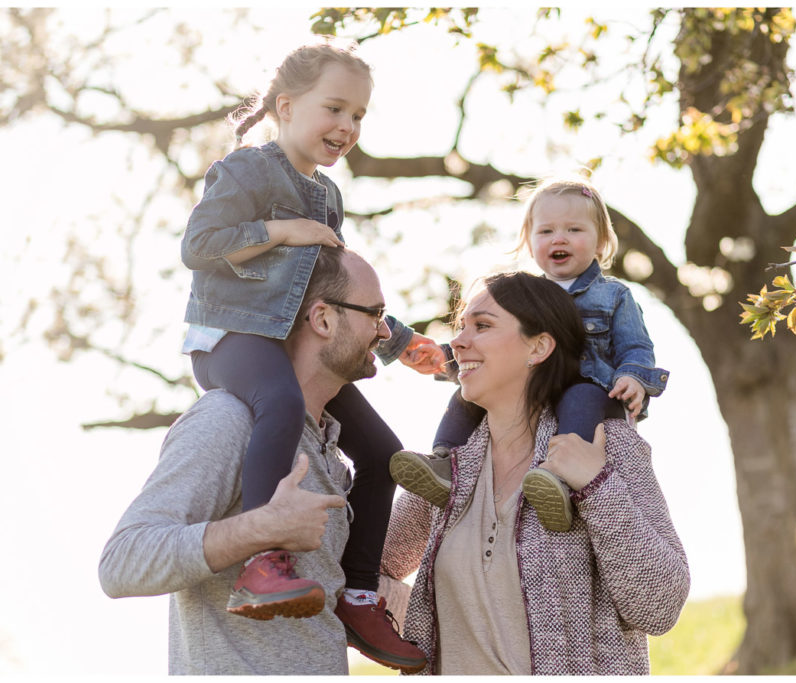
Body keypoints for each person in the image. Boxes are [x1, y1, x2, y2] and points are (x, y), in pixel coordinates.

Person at [178, 40, 433, 663]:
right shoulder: (246, 171)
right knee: (282, 404)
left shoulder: (329, 198)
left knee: (383, 453)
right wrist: (283, 231)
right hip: (232, 338)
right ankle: (264, 563)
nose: (347, 127)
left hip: (291, 341)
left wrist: (400, 341)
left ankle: (360, 595)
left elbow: (334, 291)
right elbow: (199, 244)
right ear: (286, 107)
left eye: (359, 117)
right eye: (336, 109)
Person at [100, 247, 427, 675]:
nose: (385, 332)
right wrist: (259, 529)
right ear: (323, 319)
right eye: (375, 313)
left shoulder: (334, 452)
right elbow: (122, 562)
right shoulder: (229, 420)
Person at [379, 271, 690, 675]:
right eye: (461, 327)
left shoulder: (605, 445)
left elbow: (660, 606)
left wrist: (597, 485)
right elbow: (372, 570)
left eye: (483, 326)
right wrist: (423, 630)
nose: (457, 341)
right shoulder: (449, 472)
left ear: (539, 346)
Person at [391, 177, 669, 532]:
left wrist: (632, 377)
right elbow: (494, 348)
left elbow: (636, 348)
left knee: (581, 397)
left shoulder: (614, 296)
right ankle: (445, 464)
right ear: (529, 241)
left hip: (588, 388)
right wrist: (442, 358)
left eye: (574, 229)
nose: (559, 238)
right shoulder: (522, 296)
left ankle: (560, 479)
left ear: (601, 241)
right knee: (467, 397)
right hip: (532, 389)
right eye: (546, 231)